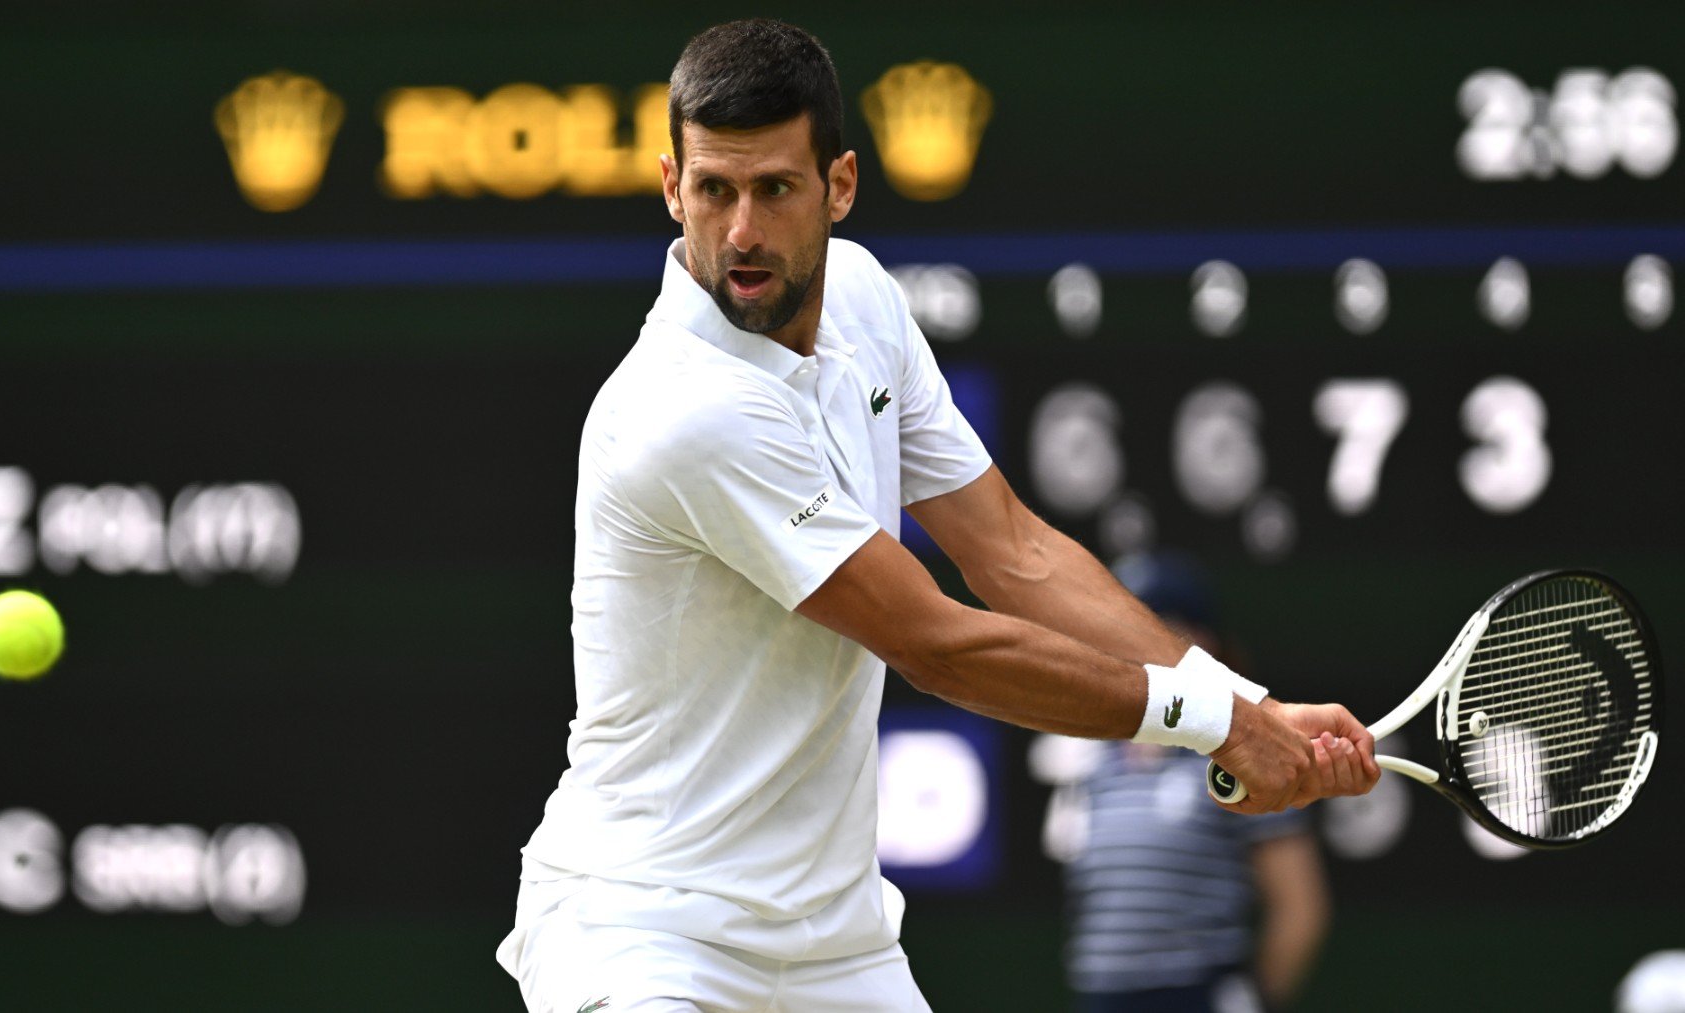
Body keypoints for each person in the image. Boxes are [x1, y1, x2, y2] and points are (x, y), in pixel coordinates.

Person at [498, 19, 1377, 1012]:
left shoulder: (866, 301)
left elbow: (1014, 552)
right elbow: (937, 645)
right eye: (714, 190)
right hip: (646, 936)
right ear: (672, 188)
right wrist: (1217, 723)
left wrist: (1246, 708)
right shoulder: (684, 410)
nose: (741, 230)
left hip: (834, 946)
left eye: (775, 189)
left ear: (839, 186)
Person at [1033, 552, 1330, 1013]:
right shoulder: (1093, 762)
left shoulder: (1244, 759)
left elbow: (1300, 907)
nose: (1127, 650)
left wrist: (1252, 1001)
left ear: (1203, 646)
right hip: (1101, 997)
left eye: (1154, 631)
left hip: (1198, 994)